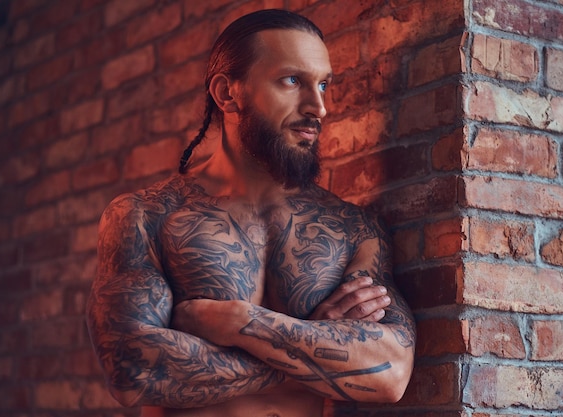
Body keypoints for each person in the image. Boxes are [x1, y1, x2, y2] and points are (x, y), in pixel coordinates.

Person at [86, 9, 416, 417]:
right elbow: (133, 372)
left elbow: (391, 373)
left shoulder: (351, 228)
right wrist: (314, 342)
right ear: (227, 93)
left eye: (324, 84)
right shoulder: (146, 217)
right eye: (292, 80)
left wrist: (241, 323)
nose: (319, 107)